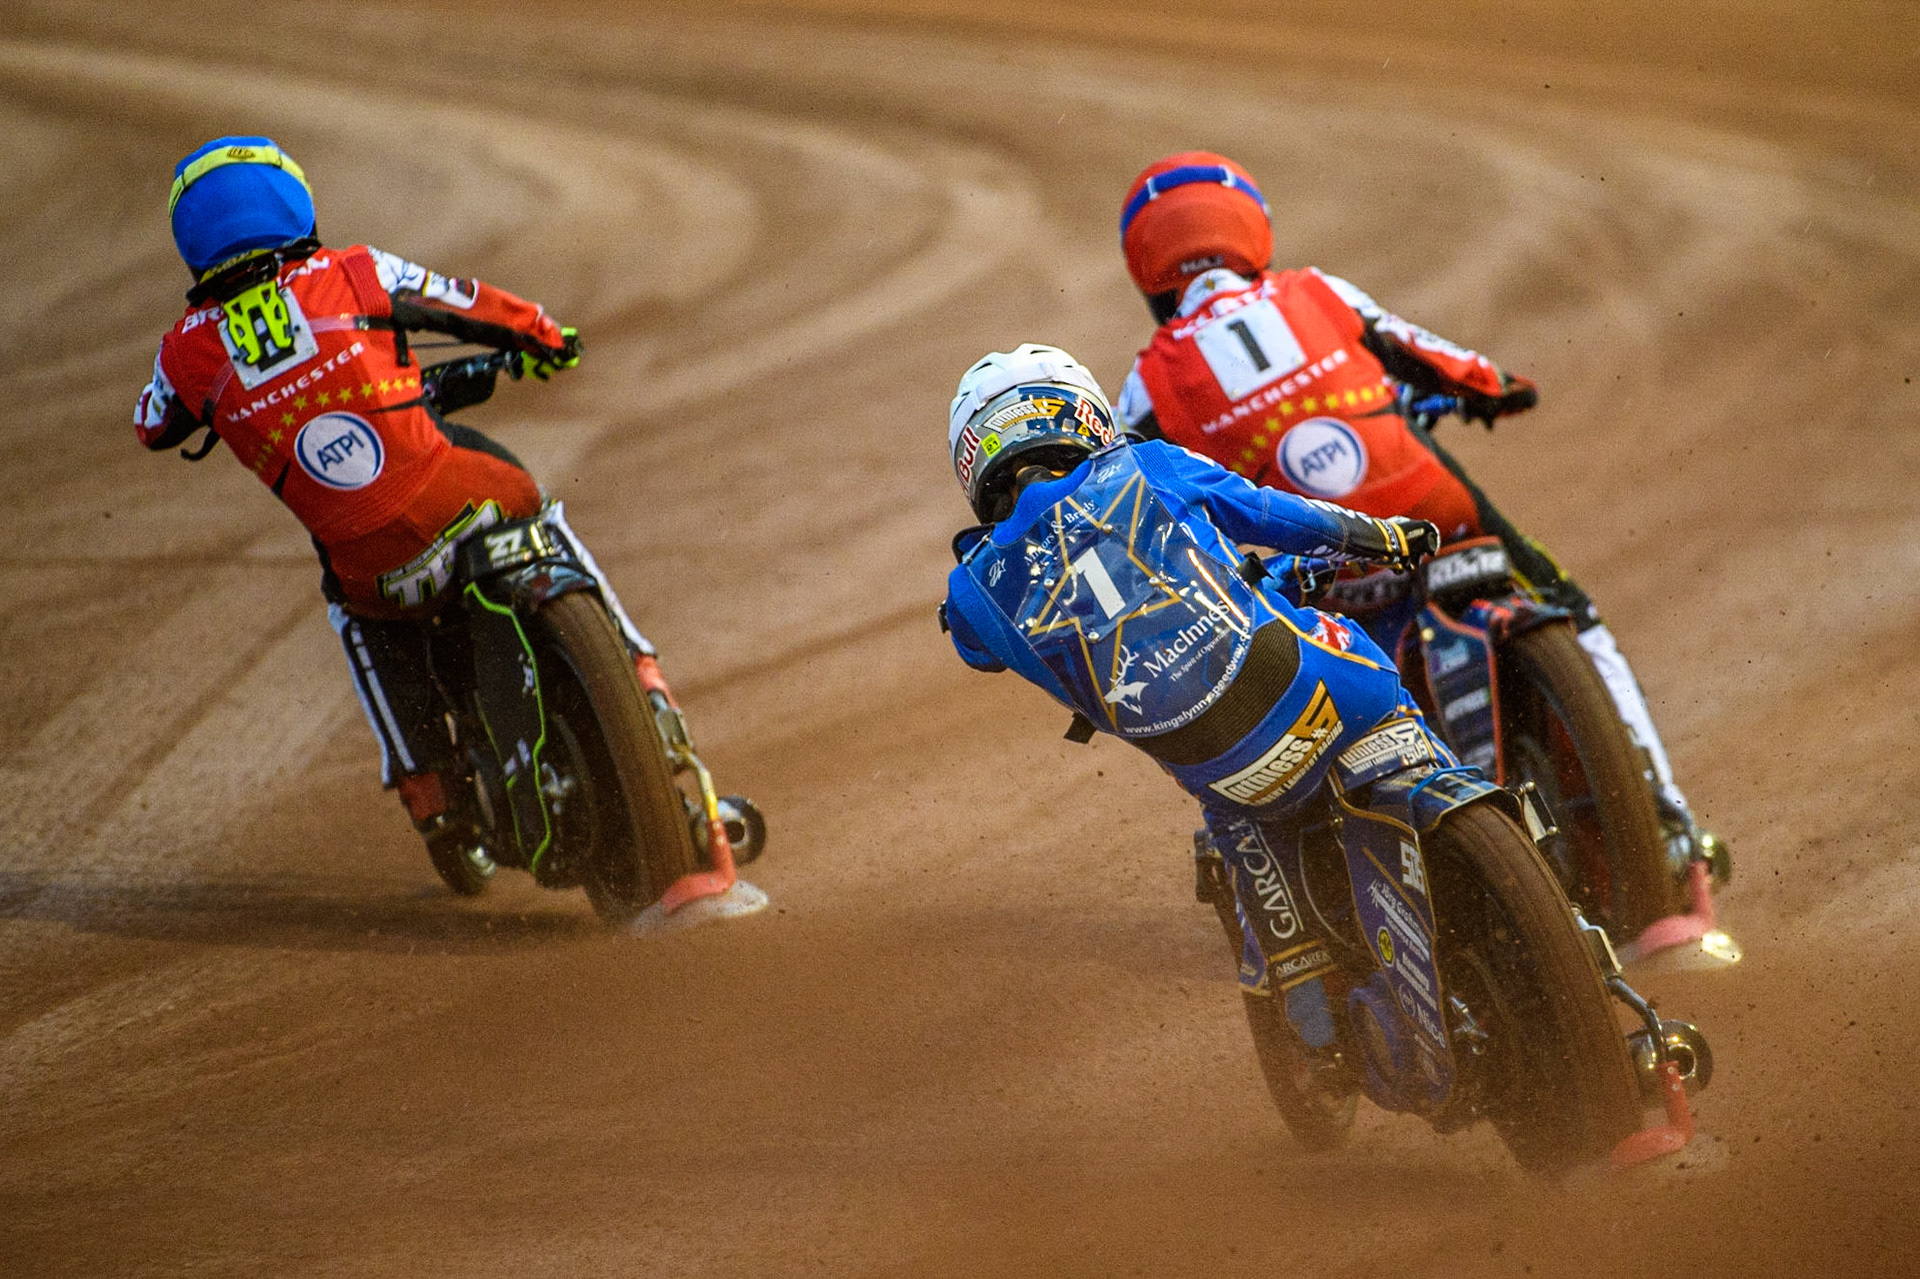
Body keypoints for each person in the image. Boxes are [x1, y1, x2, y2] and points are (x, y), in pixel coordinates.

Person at [1111, 150, 1719, 871]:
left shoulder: (1147, 382)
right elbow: (1440, 358)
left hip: (1317, 566)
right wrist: (1498, 388)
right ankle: (1667, 817)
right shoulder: (1316, 291)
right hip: (1431, 516)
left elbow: (1125, 503)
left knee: (1271, 701)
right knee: (1569, 607)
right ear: (1252, 232)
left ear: (1147, 270)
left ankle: (1338, 862)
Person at [135, 136, 681, 883]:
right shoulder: (354, 270)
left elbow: (151, 425)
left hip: (373, 571)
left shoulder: (182, 354)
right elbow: (468, 302)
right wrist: (548, 336)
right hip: (460, 496)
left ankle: (431, 797)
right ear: (292, 205)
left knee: (354, 614)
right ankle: (642, 673)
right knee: (532, 505)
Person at [941, 343, 1456, 1054]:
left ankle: (1303, 987)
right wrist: (1384, 536)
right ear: (1081, 413)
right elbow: (1274, 515)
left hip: (1213, 765)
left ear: (975, 459)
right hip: (1322, 690)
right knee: (1365, 668)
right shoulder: (1147, 465)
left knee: (1231, 813)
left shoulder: (971, 592)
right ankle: (1463, 799)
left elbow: (979, 643)